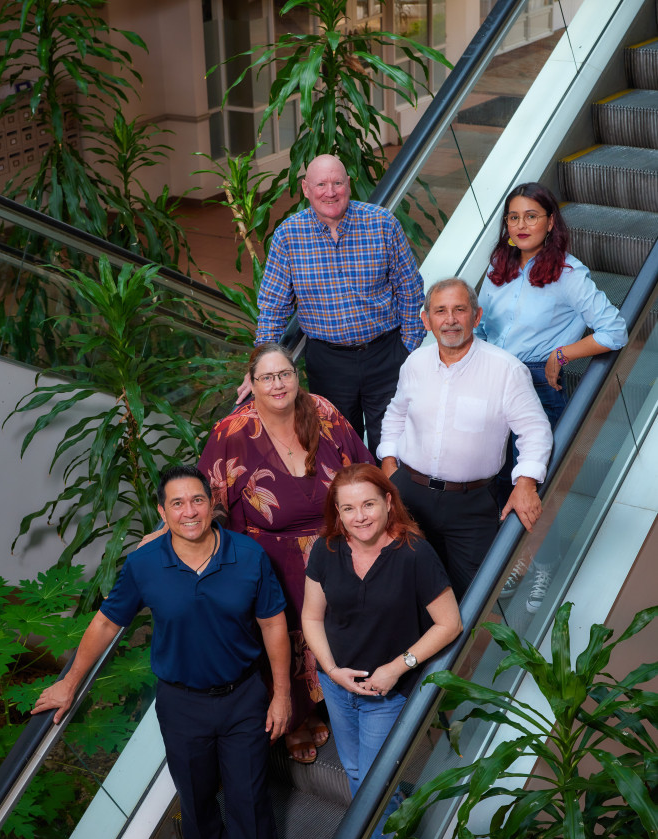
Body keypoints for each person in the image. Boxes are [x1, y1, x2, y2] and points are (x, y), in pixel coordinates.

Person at [32, 465, 291, 839]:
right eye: (177, 503)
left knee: (249, 799)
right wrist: (69, 681)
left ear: (212, 503)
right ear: (162, 511)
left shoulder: (248, 556)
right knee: (194, 796)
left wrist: (281, 694)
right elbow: (108, 624)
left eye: (197, 500)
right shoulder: (145, 563)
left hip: (242, 699)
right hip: (182, 703)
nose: (188, 512)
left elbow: (274, 625)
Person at [200, 343, 374, 763]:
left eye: (285, 374)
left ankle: (338, 700)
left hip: (337, 548)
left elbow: (362, 469)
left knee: (341, 627)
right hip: (272, 559)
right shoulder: (231, 432)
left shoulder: (324, 411)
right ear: (251, 384)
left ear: (297, 378)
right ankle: (297, 718)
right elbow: (210, 500)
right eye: (267, 377)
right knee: (286, 636)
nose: (278, 384)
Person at [302, 464, 461, 839]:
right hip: (337, 685)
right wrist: (331, 670)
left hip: (386, 691)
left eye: (369, 504)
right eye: (348, 507)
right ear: (337, 511)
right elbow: (311, 616)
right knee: (354, 769)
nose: (360, 516)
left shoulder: (414, 554)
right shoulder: (327, 549)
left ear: (388, 502)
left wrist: (398, 665)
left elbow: (449, 624)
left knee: (376, 774)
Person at [477, 181, 628, 609]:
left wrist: (562, 353)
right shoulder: (497, 267)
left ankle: (542, 567)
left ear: (550, 222)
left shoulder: (567, 274)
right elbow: (484, 329)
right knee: (493, 480)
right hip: (493, 383)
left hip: (537, 390)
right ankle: (513, 562)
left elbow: (614, 331)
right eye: (514, 217)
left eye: (531, 216)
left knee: (533, 482)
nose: (522, 225)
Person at [236, 154, 424, 458]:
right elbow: (273, 307)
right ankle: (348, 506)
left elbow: (410, 287)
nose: (330, 191)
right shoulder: (288, 236)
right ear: (306, 188)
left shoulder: (382, 224)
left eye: (337, 182)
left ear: (348, 185)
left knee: (394, 445)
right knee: (338, 447)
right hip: (329, 363)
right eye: (321, 184)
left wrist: (408, 347)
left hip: (386, 356)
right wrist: (260, 368)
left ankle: (391, 504)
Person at [377, 278, 553, 601]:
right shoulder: (415, 363)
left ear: (477, 315)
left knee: (478, 594)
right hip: (408, 495)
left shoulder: (506, 371)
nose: (450, 320)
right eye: (440, 311)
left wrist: (525, 482)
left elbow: (536, 430)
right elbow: (395, 415)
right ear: (426, 320)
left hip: (471, 504)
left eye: (460, 309)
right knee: (407, 587)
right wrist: (389, 463)